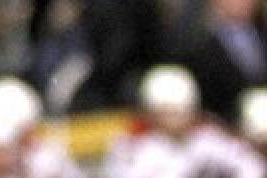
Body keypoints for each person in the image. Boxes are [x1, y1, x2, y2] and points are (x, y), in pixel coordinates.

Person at [103, 65, 264, 178]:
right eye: (170, 113)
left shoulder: (208, 136)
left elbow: (251, 166)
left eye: (183, 111)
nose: (178, 119)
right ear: (152, 112)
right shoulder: (132, 145)